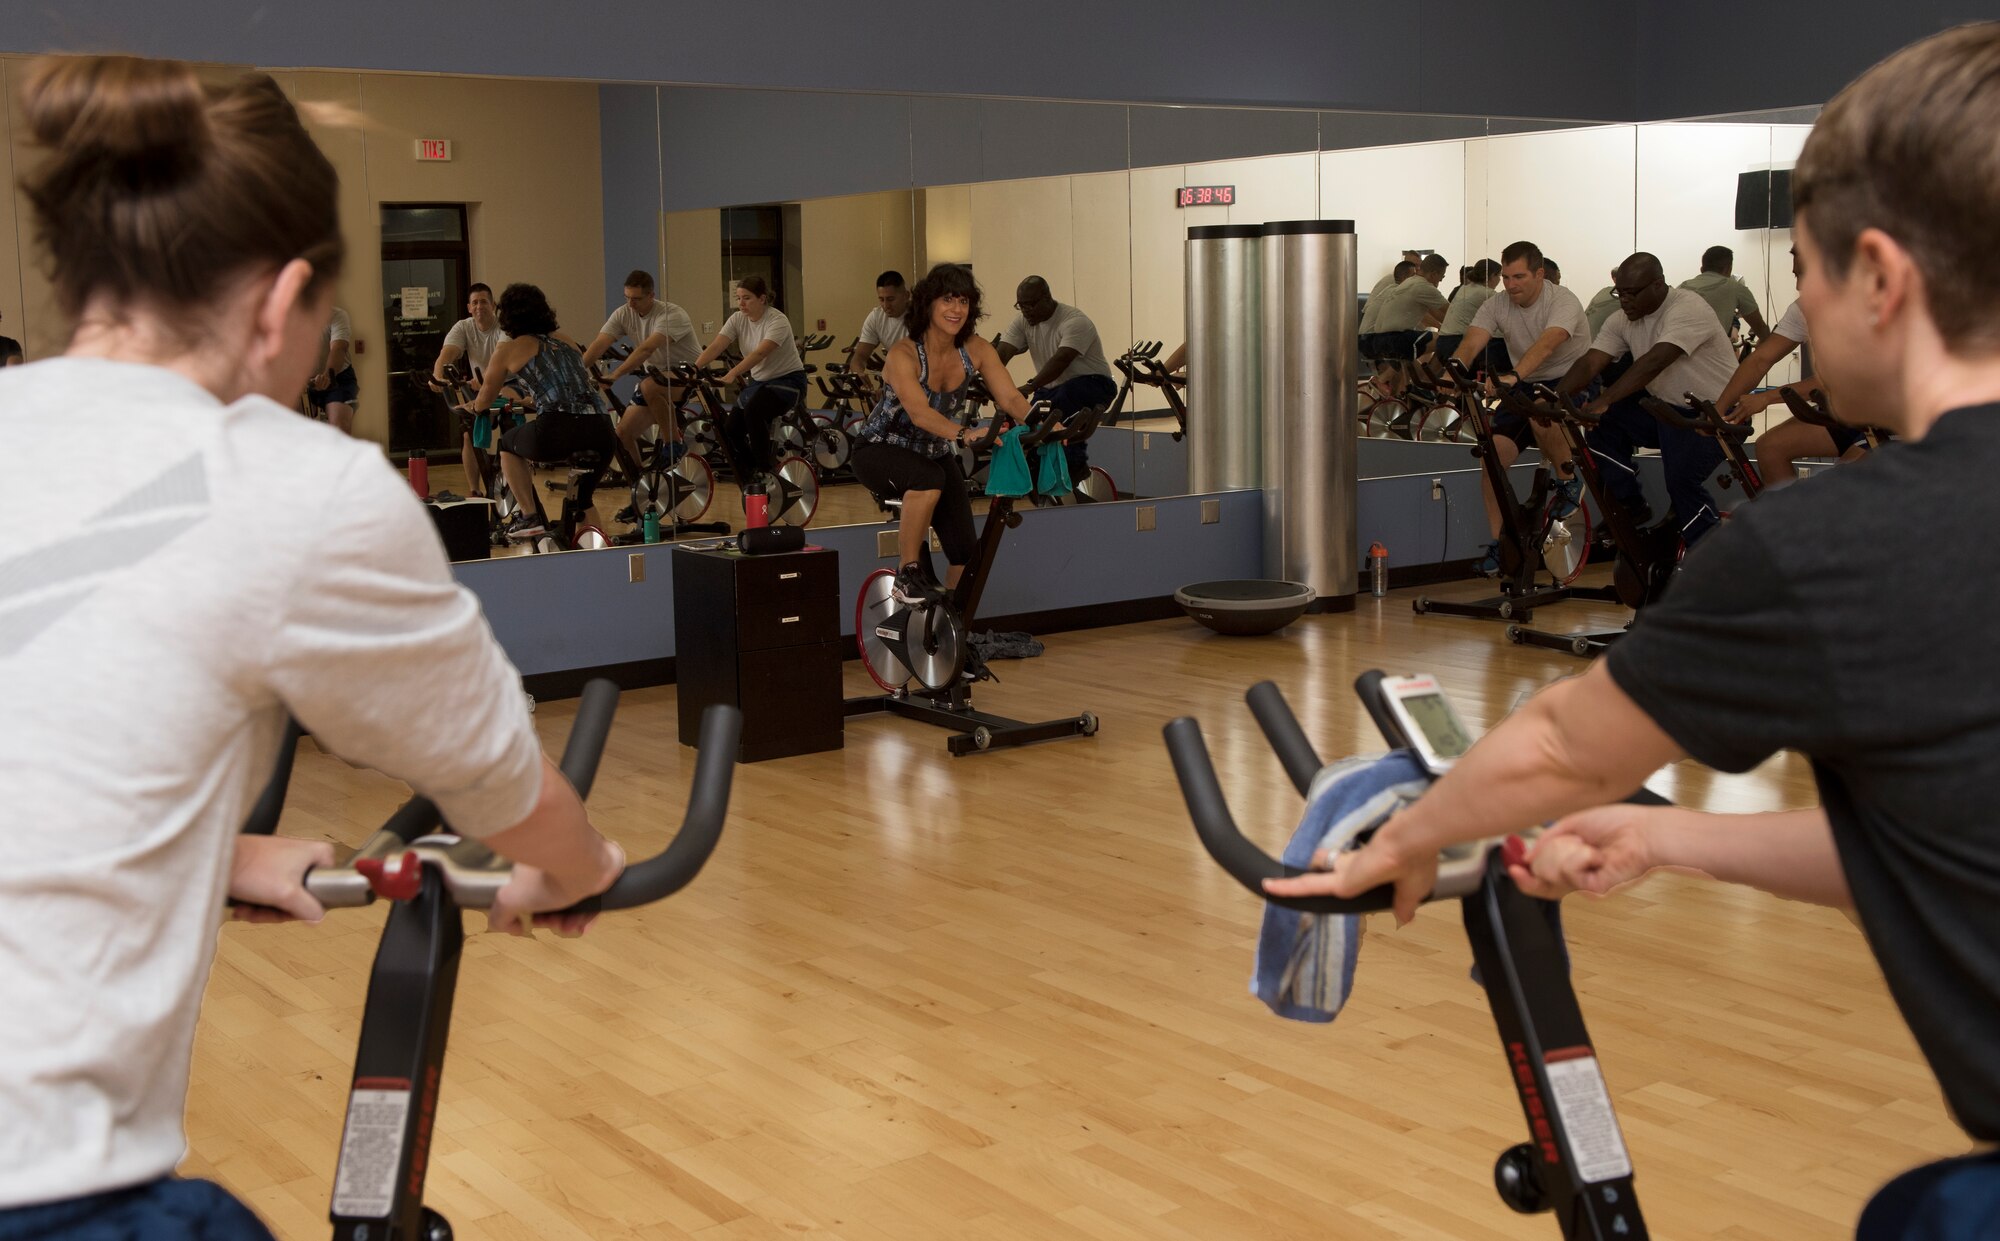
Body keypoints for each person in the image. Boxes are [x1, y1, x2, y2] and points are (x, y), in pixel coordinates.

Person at [1267, 25, 2000, 1236]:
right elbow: (1944, 853)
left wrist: (1397, 838)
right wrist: (1675, 846)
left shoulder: (1845, 545)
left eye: (1806, 272)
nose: (1797, 309)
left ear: (1879, 276)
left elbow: (1559, 748)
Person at [0, 54, 624, 1239]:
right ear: (282, 302)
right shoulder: (284, 483)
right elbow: (502, 791)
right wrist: (576, 864)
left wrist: (213, 856)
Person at [851, 263, 1036, 604]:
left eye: (963, 302)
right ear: (928, 304)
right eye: (947, 300)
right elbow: (919, 413)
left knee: (967, 552)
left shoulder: (976, 348)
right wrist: (964, 433)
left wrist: (1043, 424)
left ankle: (949, 623)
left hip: (932, 451)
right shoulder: (904, 353)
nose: (956, 309)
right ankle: (907, 574)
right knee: (928, 478)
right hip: (878, 450)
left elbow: (1009, 397)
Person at [1557, 252, 1738, 545]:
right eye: (1620, 292)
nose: (1624, 300)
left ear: (1658, 285)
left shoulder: (1687, 307)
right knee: (1604, 425)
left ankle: (1708, 555)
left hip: (1718, 414)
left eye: (1631, 293)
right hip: (1667, 413)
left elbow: (1655, 361)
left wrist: (1606, 399)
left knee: (1682, 481)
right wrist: (1556, 398)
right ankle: (1631, 505)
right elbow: (1591, 362)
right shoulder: (1622, 319)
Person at [1446, 241, 1591, 562]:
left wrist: (1514, 376)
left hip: (1570, 382)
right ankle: (1502, 542)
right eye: (1507, 277)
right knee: (1492, 458)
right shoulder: (1497, 304)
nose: (1510, 285)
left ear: (1540, 274)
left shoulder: (1562, 300)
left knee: (1542, 409)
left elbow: (1547, 344)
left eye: (1519, 277)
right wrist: (1451, 373)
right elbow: (1471, 342)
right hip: (1527, 382)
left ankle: (1569, 481)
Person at [465, 283, 621, 541]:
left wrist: (474, 407)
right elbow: (568, 385)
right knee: (583, 501)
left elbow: (485, 398)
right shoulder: (567, 341)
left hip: (558, 429)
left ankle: (530, 517)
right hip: (603, 430)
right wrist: (531, 399)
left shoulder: (508, 349)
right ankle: (600, 553)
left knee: (506, 444)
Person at [1718, 248, 1853, 487]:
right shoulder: (1803, 309)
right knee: (1770, 447)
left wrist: (1767, 398)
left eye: (1806, 275)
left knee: (1842, 484)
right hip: (1845, 414)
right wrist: (1719, 410)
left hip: (1895, 420)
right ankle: (1790, 523)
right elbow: (1760, 360)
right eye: (1796, 275)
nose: (1800, 285)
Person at [995, 276, 1118, 481]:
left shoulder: (1075, 321)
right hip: (1052, 388)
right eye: (1021, 305)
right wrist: (990, 375)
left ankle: (1075, 470)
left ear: (1047, 298)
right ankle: (1038, 470)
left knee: (1062, 403)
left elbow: (1061, 361)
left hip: (1094, 383)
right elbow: (1004, 352)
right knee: (1028, 422)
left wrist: (1029, 386)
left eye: (1031, 304)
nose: (1026, 310)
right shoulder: (1023, 321)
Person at [692, 275, 808, 483]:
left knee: (754, 411)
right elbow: (718, 345)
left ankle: (765, 469)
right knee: (731, 429)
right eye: (738, 298)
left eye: (747, 298)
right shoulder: (737, 319)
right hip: (760, 383)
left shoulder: (777, 320)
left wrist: (732, 373)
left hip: (789, 382)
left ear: (762, 299)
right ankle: (752, 471)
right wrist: (694, 368)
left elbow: (759, 354)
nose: (741, 304)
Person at [580, 269, 700, 466]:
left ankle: (674, 444)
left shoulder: (672, 314)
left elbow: (647, 349)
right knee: (622, 434)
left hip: (688, 374)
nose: (630, 304)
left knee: (649, 386)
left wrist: (615, 375)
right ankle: (641, 480)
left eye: (636, 299)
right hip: (655, 378)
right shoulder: (623, 313)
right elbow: (599, 344)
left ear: (651, 296)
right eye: (627, 297)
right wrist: (574, 374)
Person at [431, 282, 508, 497]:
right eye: (475, 302)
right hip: (480, 386)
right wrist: (438, 375)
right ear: (468, 307)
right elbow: (448, 353)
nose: (479, 306)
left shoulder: (503, 327)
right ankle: (475, 490)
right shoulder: (464, 327)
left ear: (493, 305)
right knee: (468, 435)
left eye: (484, 302)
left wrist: (486, 382)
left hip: (507, 384)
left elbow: (502, 360)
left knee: (509, 431)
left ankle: (511, 486)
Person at [1680, 244, 1771, 343]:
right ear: (1728, 269)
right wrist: (1764, 342)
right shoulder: (1736, 288)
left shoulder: (1681, 287)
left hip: (1676, 352)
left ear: (1702, 269)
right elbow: (1760, 328)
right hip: (1712, 353)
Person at [848, 269, 910, 389]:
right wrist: (858, 372)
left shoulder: (922, 317)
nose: (886, 306)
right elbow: (859, 357)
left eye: (891, 299)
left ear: (906, 296)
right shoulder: (876, 317)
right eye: (882, 299)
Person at [1433, 258, 1501, 368]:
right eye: (1500, 276)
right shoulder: (1487, 293)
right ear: (1492, 276)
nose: (1500, 280)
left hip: (1442, 343)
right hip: (1457, 344)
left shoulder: (1464, 288)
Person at [306, 304, 358, 433]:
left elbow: (339, 348)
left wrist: (328, 376)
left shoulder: (338, 315)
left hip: (337, 378)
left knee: (340, 429)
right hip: (301, 380)